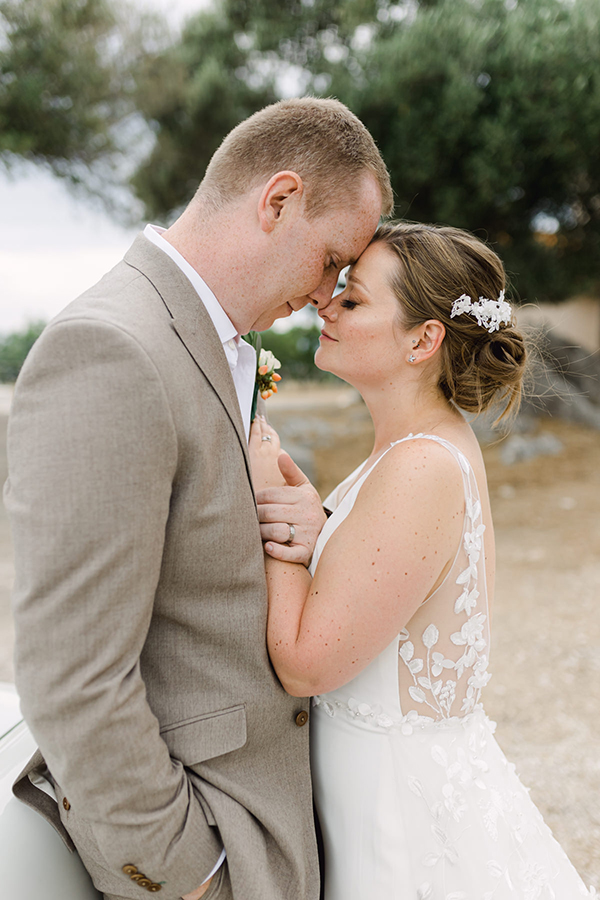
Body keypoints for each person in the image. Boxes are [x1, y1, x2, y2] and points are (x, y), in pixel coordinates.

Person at [4, 97, 393, 900]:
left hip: (273, 831)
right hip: (210, 852)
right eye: (330, 260)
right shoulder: (110, 348)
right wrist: (190, 875)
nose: (327, 295)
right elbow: (71, 673)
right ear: (278, 201)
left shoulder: (218, 341)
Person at [250, 222, 595, 898]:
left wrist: (269, 502)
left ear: (422, 339)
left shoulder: (421, 466)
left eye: (352, 301)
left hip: (402, 827)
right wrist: (316, 525)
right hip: (380, 799)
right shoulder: (412, 448)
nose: (326, 305)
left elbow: (304, 661)